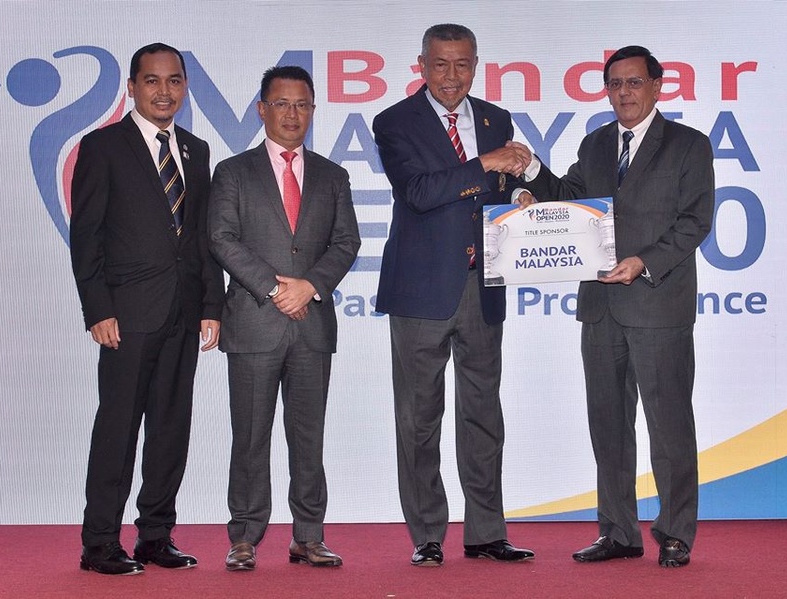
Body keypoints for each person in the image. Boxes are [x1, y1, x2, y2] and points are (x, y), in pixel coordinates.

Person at [514, 45, 715, 568]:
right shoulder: (596, 143)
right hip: (600, 306)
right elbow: (570, 199)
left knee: (669, 426)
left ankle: (675, 533)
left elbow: (695, 223)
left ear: (657, 86)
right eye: (615, 84)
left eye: (633, 83)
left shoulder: (689, 145)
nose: (623, 93)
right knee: (608, 426)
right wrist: (533, 180)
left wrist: (644, 262)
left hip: (658, 304)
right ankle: (619, 532)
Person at [372, 23, 535, 567]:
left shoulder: (496, 120)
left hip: (482, 285)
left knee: (484, 415)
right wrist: (487, 165)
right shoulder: (394, 121)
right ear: (421, 65)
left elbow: (502, 191)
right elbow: (419, 193)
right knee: (419, 418)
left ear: (475, 64)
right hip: (421, 290)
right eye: (440, 64)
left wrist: (522, 190)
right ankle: (427, 535)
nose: (451, 76)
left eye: (462, 64)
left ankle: (487, 532)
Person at [70, 42, 225, 575]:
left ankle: (155, 536)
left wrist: (212, 304)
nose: (164, 91)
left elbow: (202, 237)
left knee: (169, 429)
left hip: (184, 314)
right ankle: (99, 545)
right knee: (117, 429)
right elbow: (85, 237)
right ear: (132, 87)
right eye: (152, 81)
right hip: (127, 316)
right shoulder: (102, 146)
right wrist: (98, 309)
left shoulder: (198, 150)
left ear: (185, 87)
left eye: (174, 81)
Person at [208, 66, 361, 571]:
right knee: (250, 436)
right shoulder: (233, 172)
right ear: (262, 109)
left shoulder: (333, 175)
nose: (293, 114)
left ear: (313, 111)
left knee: (308, 437)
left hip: (312, 327)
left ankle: (308, 536)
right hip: (254, 322)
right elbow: (222, 238)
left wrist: (311, 286)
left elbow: (346, 243)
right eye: (282, 104)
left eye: (302, 105)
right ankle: (245, 536)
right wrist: (277, 287)